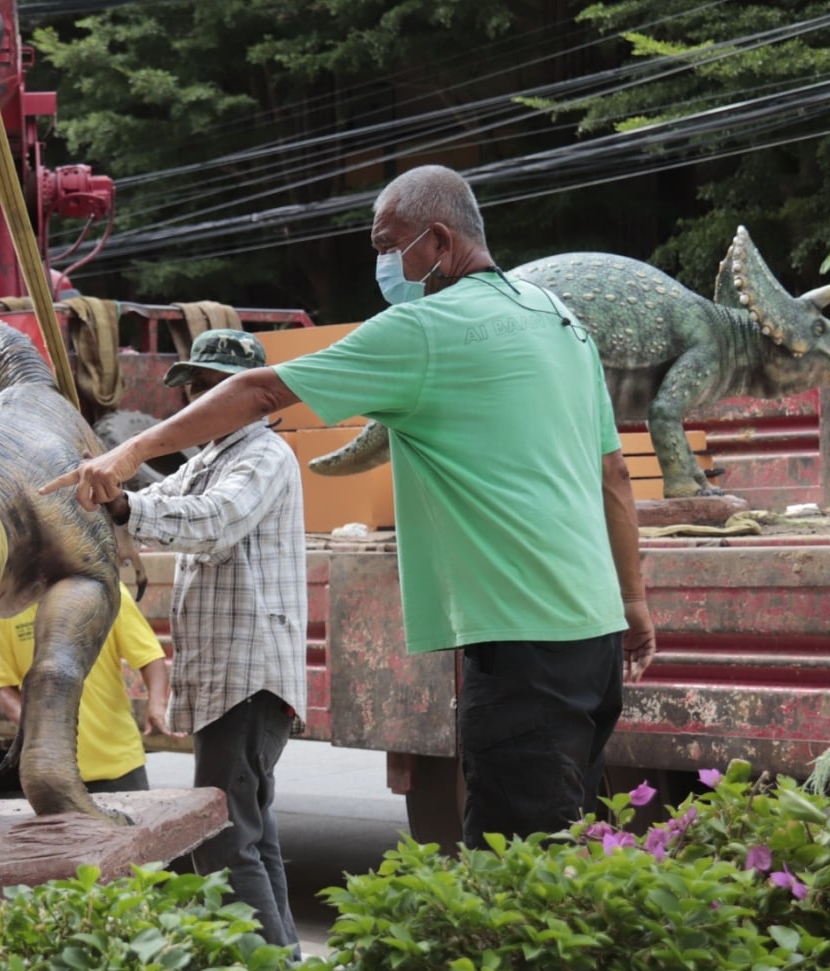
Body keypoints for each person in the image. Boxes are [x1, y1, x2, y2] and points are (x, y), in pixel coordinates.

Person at [44, 164, 657, 855]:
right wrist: (634, 604)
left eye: (388, 245)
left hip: (524, 643)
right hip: (595, 637)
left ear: (437, 241)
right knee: (570, 856)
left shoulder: (426, 327)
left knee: (514, 865)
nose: (383, 264)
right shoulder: (559, 319)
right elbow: (613, 474)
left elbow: (260, 391)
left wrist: (125, 454)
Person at [54, 328, 308, 952]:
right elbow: (149, 500)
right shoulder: (208, 458)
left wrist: (123, 508)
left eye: (210, 387)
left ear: (245, 396)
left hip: (248, 677)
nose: (197, 399)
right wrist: (100, 490)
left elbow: (215, 521)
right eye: (193, 388)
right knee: (249, 833)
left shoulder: (263, 455)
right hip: (228, 677)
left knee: (223, 839)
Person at [0, 582, 175, 793]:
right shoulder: (4, 610)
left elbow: (149, 657)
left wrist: (157, 702)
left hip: (117, 766)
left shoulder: (105, 591)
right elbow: (2, 685)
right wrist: (35, 726)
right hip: (49, 775)